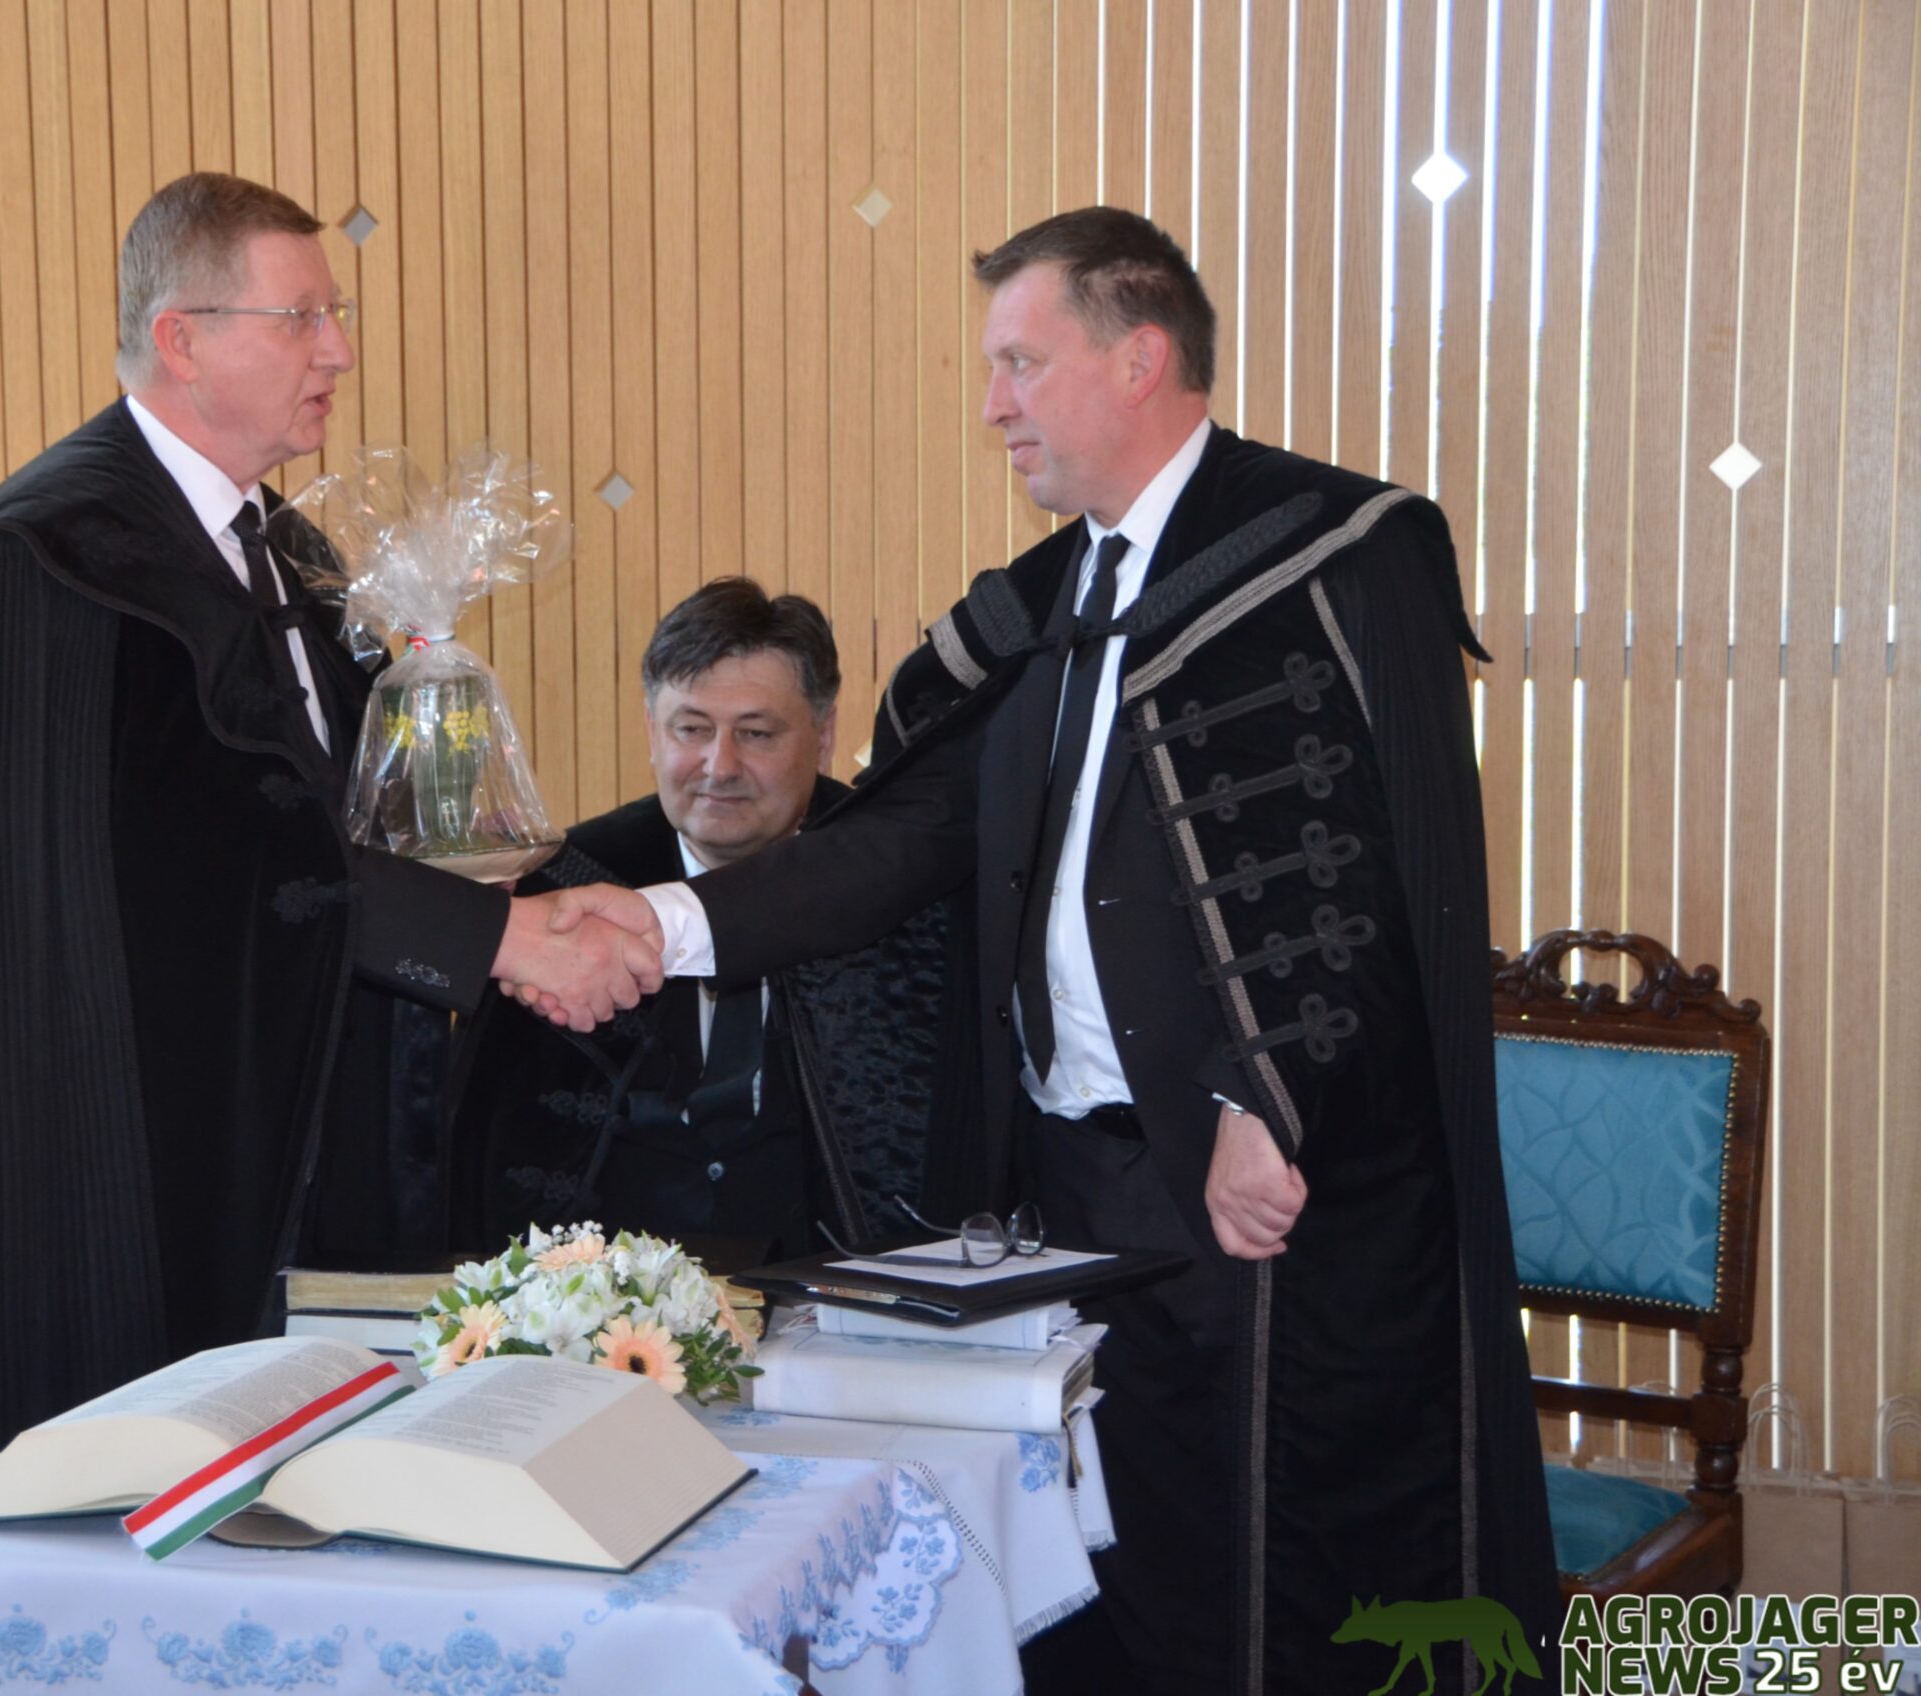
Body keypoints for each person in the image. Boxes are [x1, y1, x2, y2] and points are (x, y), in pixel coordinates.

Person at [536, 208, 1556, 1693]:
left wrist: (1266, 1099)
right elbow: (895, 843)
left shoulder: (1331, 554)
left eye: (1020, 363)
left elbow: (1367, 878)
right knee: (1100, 1573)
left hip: (1260, 1190)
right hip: (1068, 1185)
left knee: (1271, 1584)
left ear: (1139, 358)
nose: (993, 404)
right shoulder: (1044, 608)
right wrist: (664, 919)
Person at [0, 172, 658, 1502]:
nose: (338, 352)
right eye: (303, 318)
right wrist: (498, 940)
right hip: (135, 1163)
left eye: (334, 317)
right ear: (181, 338)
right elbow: (175, 873)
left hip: (298, 1128)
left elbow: (332, 824)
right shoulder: (45, 559)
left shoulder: (283, 549)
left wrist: (562, 892)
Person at [444, 579, 984, 1262]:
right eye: (691, 729)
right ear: (651, 731)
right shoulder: (561, 890)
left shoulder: (904, 887)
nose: (719, 766)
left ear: (823, 737)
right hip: (607, 1286)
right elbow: (484, 1152)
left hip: (841, 1276)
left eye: (756, 733)